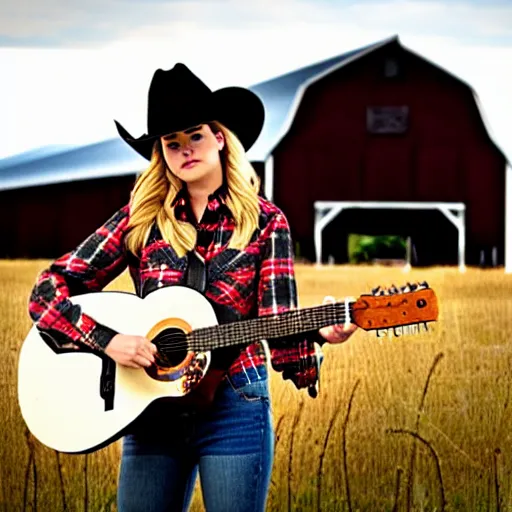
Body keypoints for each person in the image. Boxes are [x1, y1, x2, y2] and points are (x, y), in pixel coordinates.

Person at [28, 63, 357, 512]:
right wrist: (109, 342)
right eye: (171, 143)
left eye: (194, 135)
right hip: (151, 408)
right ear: (160, 153)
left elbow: (278, 324)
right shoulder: (140, 220)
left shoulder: (265, 222)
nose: (185, 150)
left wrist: (321, 333)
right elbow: (47, 292)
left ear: (220, 137)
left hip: (235, 405)